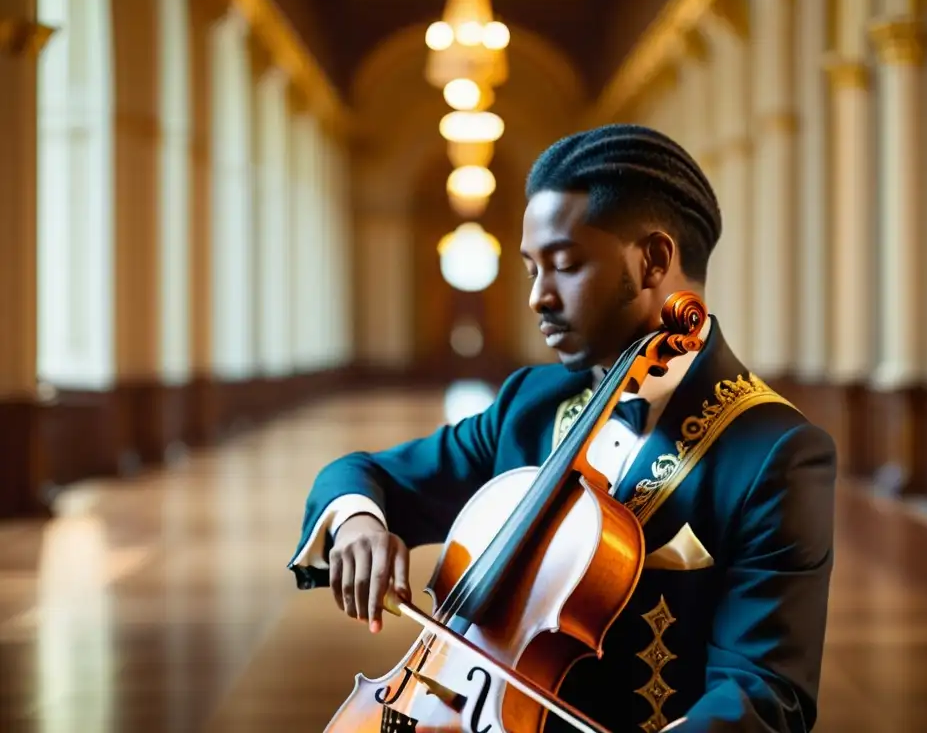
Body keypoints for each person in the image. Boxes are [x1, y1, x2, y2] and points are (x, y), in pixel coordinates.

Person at [287, 124, 837, 732]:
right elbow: (363, 474)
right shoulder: (532, 402)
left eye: (566, 265)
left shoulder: (776, 453)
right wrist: (361, 519)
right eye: (531, 270)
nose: (538, 299)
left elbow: (765, 696)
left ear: (654, 260)